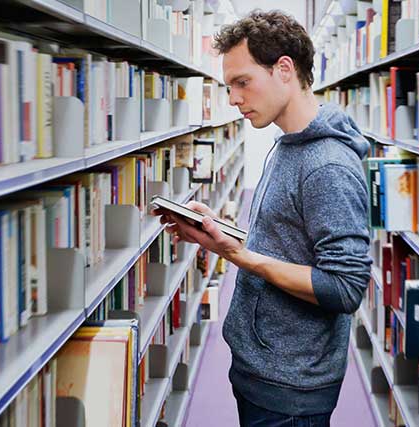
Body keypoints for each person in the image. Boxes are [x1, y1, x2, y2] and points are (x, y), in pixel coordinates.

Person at [155, 9, 372, 427]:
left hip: (290, 390)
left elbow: (345, 287)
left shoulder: (327, 166)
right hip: (264, 368)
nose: (233, 99)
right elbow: (287, 242)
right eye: (229, 86)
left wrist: (238, 255)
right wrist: (218, 234)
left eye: (242, 82)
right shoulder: (288, 143)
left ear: (284, 70)